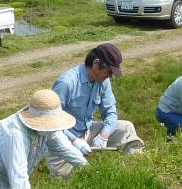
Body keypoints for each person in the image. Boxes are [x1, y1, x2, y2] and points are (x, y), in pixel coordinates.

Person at [48, 43, 144, 178]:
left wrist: (104, 134)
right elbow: (50, 123)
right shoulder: (66, 83)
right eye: (109, 71)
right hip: (64, 139)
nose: (110, 76)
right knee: (65, 183)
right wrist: (74, 140)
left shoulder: (103, 81)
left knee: (127, 129)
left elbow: (110, 111)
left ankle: (135, 175)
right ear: (96, 63)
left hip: (87, 131)